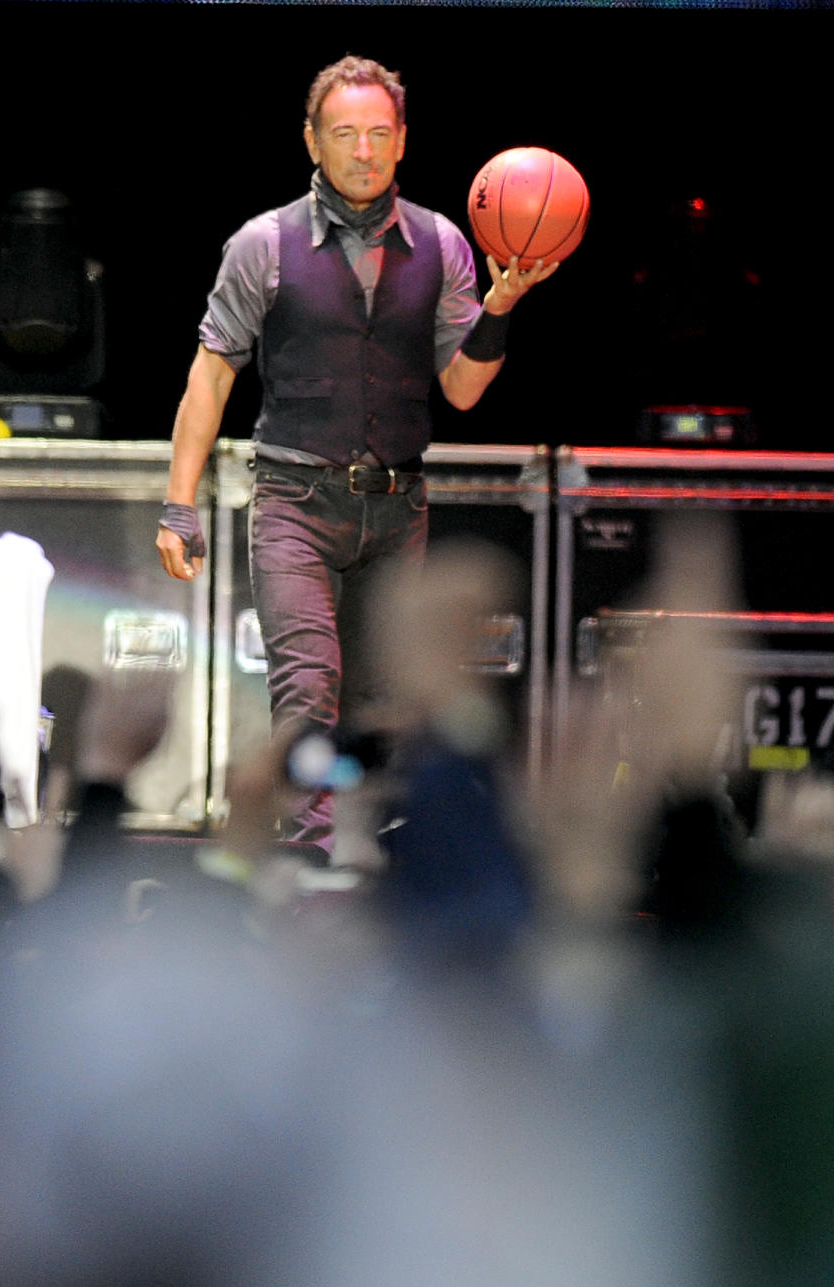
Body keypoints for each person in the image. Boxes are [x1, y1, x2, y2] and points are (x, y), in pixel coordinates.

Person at [157, 54, 558, 863]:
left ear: (404, 141)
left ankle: (371, 864)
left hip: (395, 508)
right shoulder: (262, 245)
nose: (364, 150)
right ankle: (308, 863)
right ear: (312, 140)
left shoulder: (443, 243)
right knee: (307, 691)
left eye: (380, 133)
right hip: (294, 502)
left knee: (384, 703)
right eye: (345, 133)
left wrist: (500, 307)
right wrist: (178, 501)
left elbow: (464, 387)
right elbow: (211, 373)